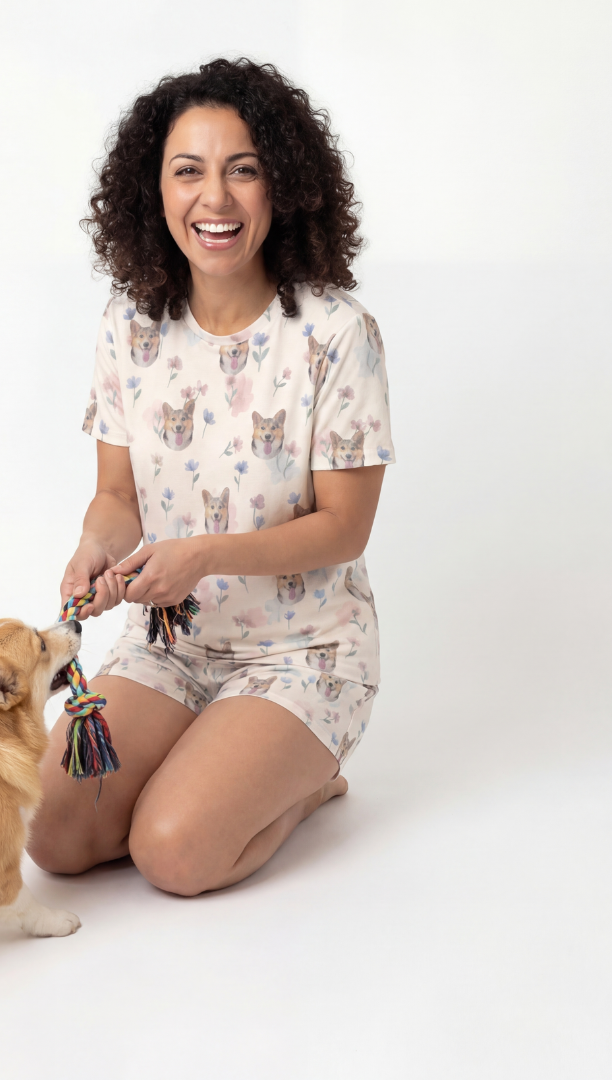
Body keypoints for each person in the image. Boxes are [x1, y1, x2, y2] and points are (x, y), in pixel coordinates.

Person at [27, 58, 395, 896]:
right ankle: (205, 748)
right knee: (50, 833)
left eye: (244, 170)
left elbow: (345, 528)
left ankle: (305, 781)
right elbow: (118, 498)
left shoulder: (337, 334)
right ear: (152, 192)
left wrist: (199, 556)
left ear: (283, 187)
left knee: (175, 854)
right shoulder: (130, 325)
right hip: (172, 643)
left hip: (304, 653)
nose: (215, 199)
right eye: (188, 171)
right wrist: (93, 546)